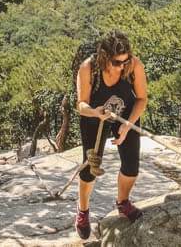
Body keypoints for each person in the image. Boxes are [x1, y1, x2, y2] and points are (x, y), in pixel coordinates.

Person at [73, 31, 149, 239]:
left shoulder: (134, 66)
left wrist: (127, 126)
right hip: (95, 116)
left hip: (126, 114)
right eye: (117, 62)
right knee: (90, 167)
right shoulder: (89, 68)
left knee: (131, 166)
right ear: (104, 57)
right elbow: (81, 105)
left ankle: (122, 202)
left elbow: (142, 99)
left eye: (125, 61)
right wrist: (95, 112)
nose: (122, 66)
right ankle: (83, 210)